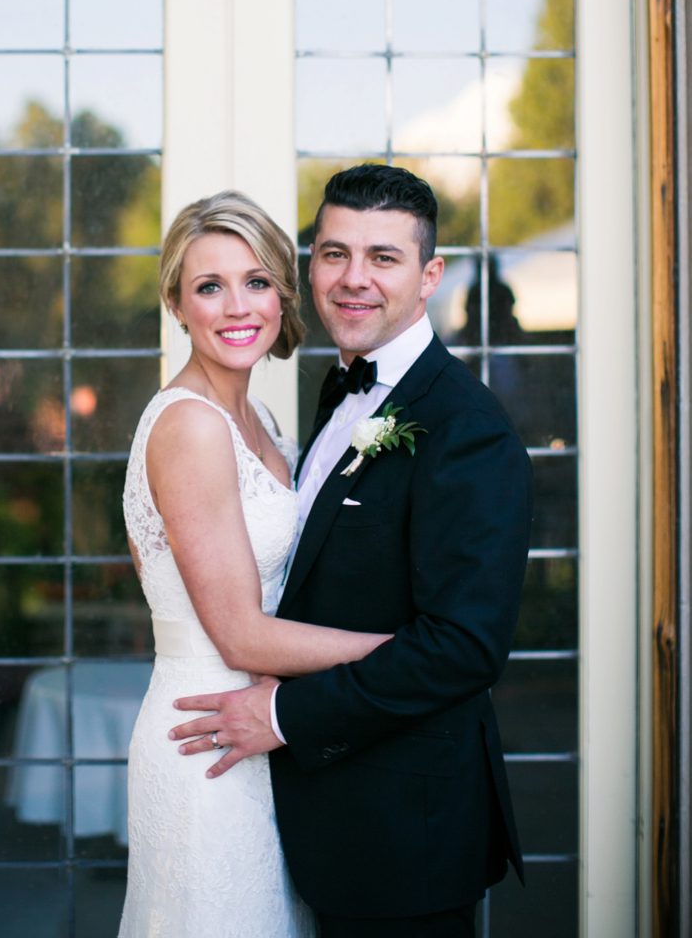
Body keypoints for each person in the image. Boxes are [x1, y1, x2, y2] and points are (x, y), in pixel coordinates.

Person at [167, 164, 530, 937]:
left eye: (383, 258)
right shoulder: (335, 392)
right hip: (318, 817)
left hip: (405, 833)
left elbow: (464, 649)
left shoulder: (469, 429)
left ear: (430, 275)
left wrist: (287, 714)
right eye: (334, 254)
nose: (353, 280)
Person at [120, 190, 391, 937]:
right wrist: (404, 654)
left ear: (281, 293)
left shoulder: (258, 419)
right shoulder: (191, 428)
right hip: (207, 738)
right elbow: (238, 635)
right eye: (209, 286)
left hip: (264, 730)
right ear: (176, 302)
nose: (237, 306)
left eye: (256, 280)